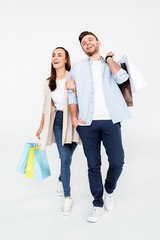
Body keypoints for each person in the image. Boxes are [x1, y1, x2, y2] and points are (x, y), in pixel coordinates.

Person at [67, 31, 131, 223]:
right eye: (84, 42)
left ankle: (109, 190)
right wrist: (74, 119)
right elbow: (71, 95)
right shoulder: (76, 68)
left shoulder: (111, 64)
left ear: (98, 42)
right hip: (87, 124)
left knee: (117, 161)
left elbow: (122, 79)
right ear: (82, 48)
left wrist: (110, 59)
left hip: (111, 120)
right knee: (93, 165)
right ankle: (97, 204)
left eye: (90, 40)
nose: (87, 43)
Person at [36, 47, 80, 216]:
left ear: (66, 60)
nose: (55, 57)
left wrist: (75, 88)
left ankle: (62, 179)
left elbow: (85, 96)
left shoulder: (73, 76)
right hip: (59, 122)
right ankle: (68, 197)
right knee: (65, 158)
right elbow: (46, 107)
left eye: (59, 55)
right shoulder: (49, 82)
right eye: (53, 55)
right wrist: (40, 126)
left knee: (67, 157)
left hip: (75, 122)